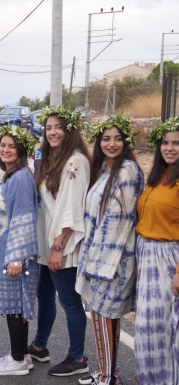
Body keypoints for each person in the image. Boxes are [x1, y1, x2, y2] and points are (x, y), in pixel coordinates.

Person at [74, 115, 144, 385]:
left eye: (117, 138)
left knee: (103, 318)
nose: (111, 143)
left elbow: (118, 222)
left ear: (125, 142)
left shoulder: (127, 170)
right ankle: (108, 373)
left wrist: (98, 264)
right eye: (106, 138)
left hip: (112, 260)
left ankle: (107, 377)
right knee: (105, 319)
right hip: (100, 257)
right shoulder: (104, 170)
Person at [31, 106, 91, 377]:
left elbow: (70, 210)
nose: (53, 132)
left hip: (61, 246)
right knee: (44, 295)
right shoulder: (54, 159)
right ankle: (39, 346)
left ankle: (77, 358)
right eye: (49, 128)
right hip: (47, 245)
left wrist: (58, 247)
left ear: (70, 132)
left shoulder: (75, 161)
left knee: (70, 303)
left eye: (59, 128)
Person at [0, 126, 40, 376]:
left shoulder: (20, 178)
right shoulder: (12, 175)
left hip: (13, 255)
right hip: (5, 253)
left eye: (11, 146)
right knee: (14, 305)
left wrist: (16, 256)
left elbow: (22, 217)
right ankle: (22, 355)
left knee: (16, 306)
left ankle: (17, 361)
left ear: (21, 150)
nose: (5, 150)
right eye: (2, 145)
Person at [133, 116, 179, 385]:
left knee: (166, 329)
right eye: (165, 142)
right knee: (148, 328)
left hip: (169, 259)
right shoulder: (156, 177)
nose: (169, 148)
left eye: (176, 143)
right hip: (147, 257)